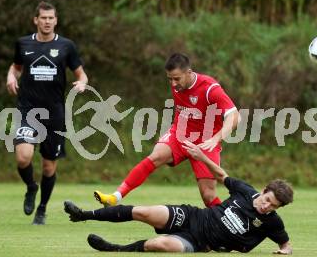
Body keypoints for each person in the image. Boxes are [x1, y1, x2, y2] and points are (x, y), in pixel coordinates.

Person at [65, 141, 293, 254]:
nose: (266, 207)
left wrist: (284, 251)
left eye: (273, 206)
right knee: (143, 212)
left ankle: (115, 249)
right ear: (264, 191)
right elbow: (222, 175)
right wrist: (201, 157)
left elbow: (286, 243)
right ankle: (83, 214)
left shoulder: (272, 222)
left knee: (159, 244)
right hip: (193, 217)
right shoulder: (245, 191)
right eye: (267, 200)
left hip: (201, 243)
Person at [94, 53, 239, 208]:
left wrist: (216, 138)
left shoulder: (210, 88)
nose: (173, 83)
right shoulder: (177, 83)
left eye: (177, 78)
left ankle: (226, 224)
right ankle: (115, 197)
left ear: (189, 73)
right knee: (156, 156)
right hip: (180, 134)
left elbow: (235, 117)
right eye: (170, 79)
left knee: (208, 195)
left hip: (206, 141)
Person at [6, 1, 88, 225]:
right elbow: (16, 67)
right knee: (23, 158)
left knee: (49, 166)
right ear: (36, 20)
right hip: (28, 110)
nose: (47, 22)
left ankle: (41, 209)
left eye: (51, 18)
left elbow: (82, 75)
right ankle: (31, 187)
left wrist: (81, 84)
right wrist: (11, 77)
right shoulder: (23, 44)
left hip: (55, 113)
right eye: (43, 18)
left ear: (56, 20)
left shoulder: (66, 46)